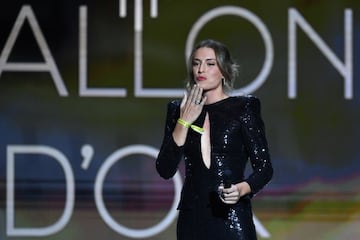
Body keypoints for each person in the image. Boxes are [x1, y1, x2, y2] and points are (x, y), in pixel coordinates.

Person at [155, 39, 273, 240]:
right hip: (192, 218)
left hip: (232, 215)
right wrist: (184, 121)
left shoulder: (243, 108)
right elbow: (165, 169)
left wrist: (241, 189)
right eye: (196, 63)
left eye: (210, 64)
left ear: (224, 71)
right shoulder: (178, 110)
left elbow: (264, 168)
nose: (201, 69)